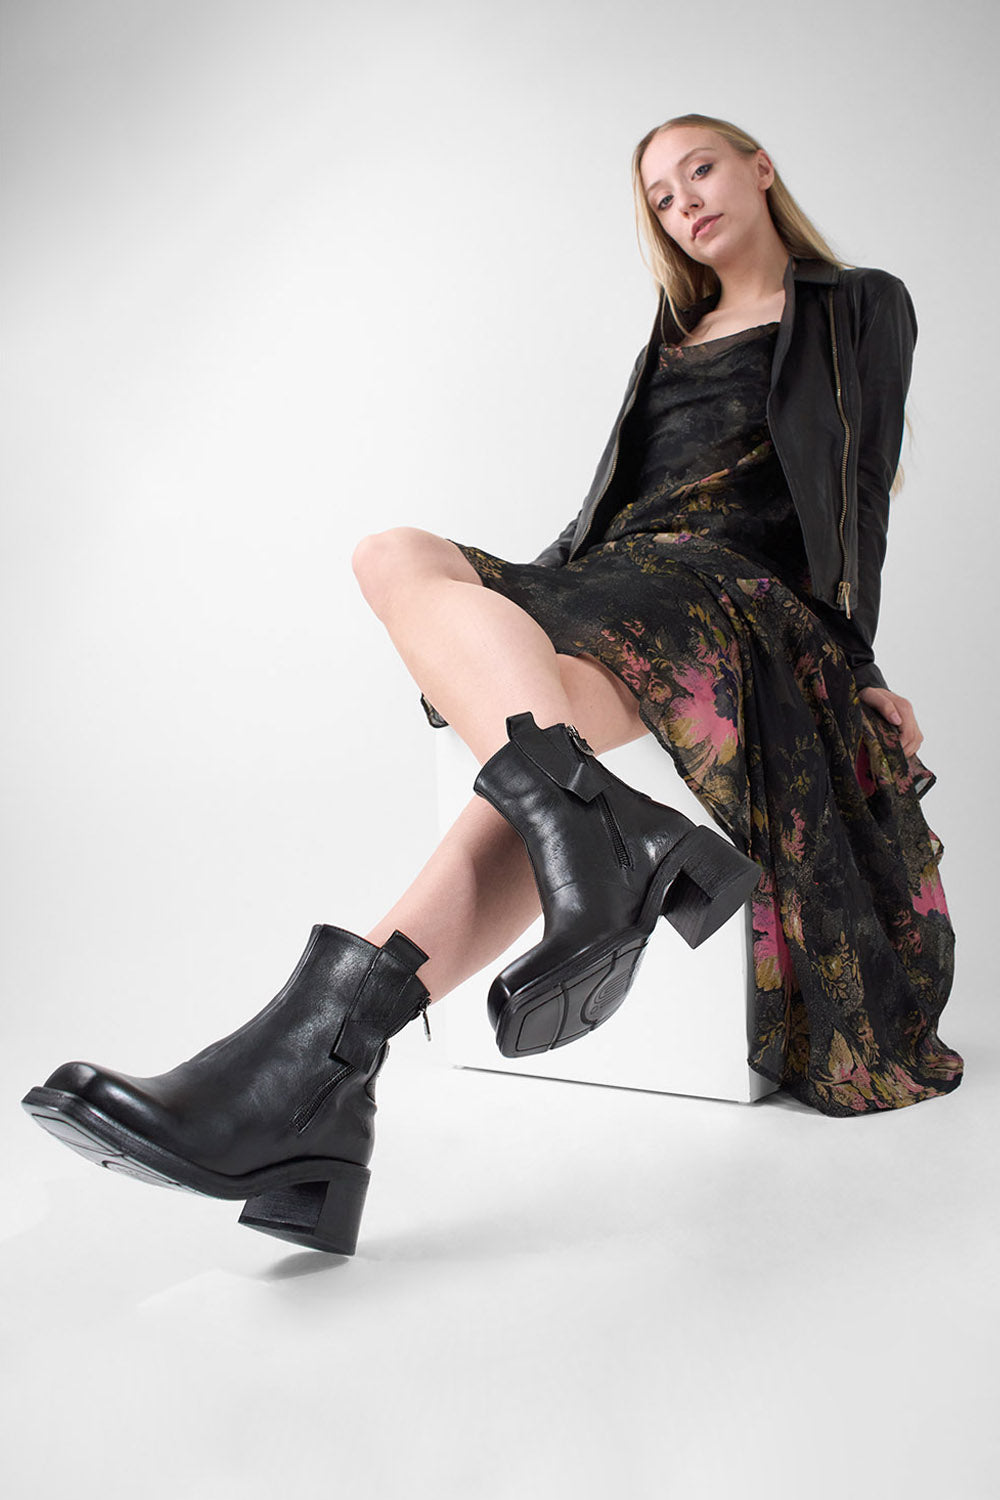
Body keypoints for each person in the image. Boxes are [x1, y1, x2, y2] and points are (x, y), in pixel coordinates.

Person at [22, 112, 964, 1257]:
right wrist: (525, 611)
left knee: (530, 756)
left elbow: (855, 490)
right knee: (392, 556)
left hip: (737, 598)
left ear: (760, 166)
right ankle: (588, 853)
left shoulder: (857, 305)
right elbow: (616, 508)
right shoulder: (671, 333)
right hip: (619, 579)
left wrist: (855, 665)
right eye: (661, 197)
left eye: (700, 172)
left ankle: (310, 1083)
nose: (685, 205)